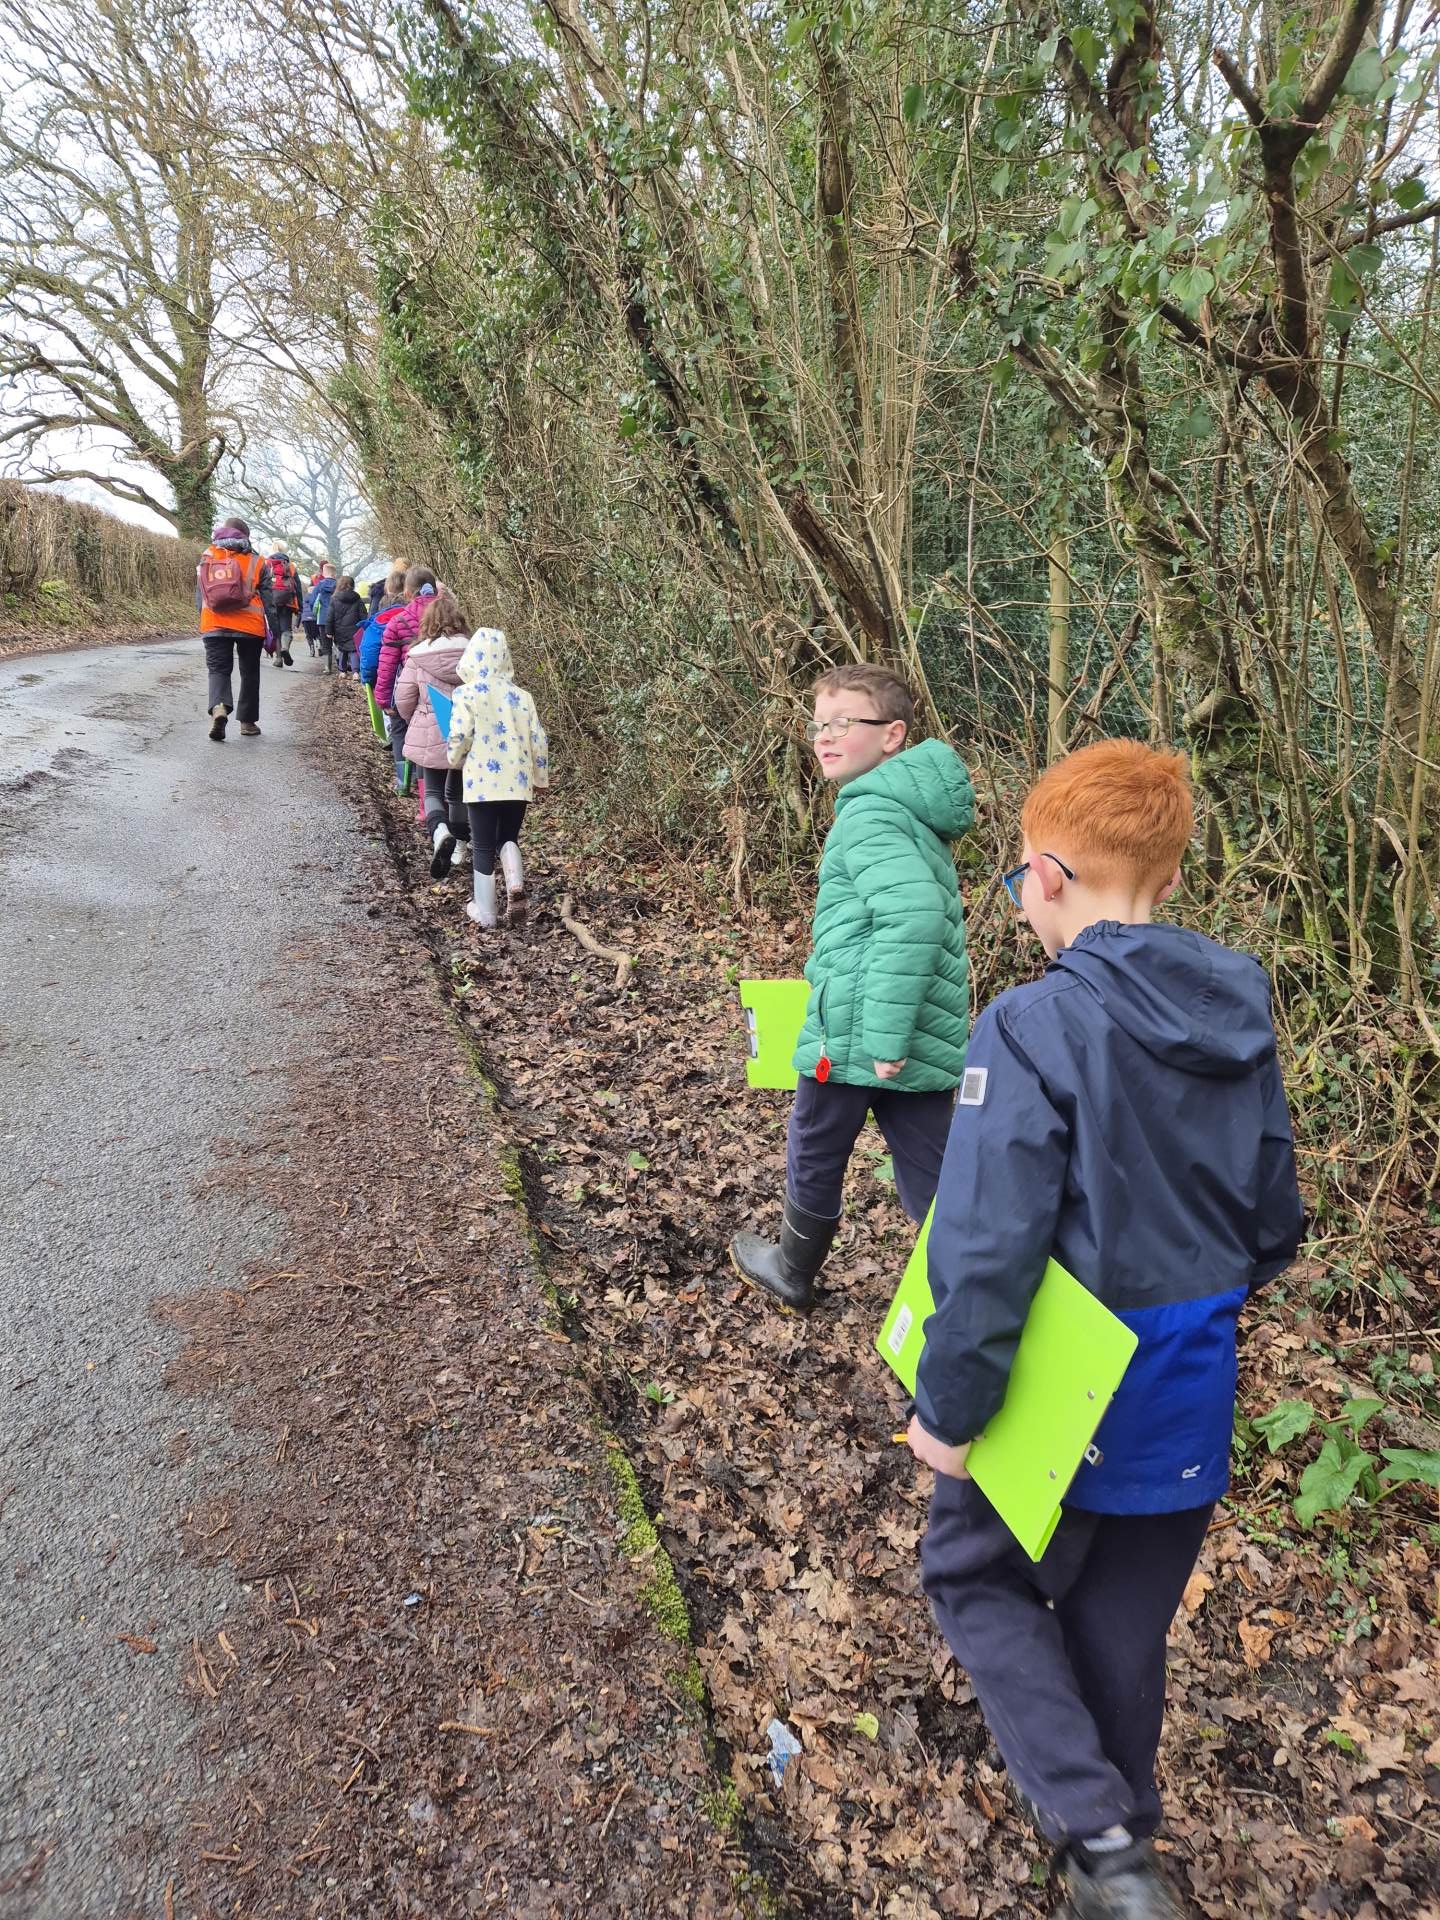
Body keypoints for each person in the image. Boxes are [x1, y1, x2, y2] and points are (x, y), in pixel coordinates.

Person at [908, 741, 1304, 1920]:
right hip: (1192, 1370)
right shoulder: (1240, 1011)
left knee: (970, 1570)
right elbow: (1273, 1220)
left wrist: (949, 1412)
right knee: (1123, 1616)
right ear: (1168, 881)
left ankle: (1102, 1834)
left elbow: (987, 1249)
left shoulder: (1028, 1026)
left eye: (1020, 881)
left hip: (1062, 1375)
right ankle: (1118, 1855)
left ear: (1043, 875)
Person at [729, 664, 974, 1315]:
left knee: (815, 1144)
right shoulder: (910, 811)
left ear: (892, 734)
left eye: (843, 723)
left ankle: (791, 1269)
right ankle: (970, 1298)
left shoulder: (868, 813)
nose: (824, 736)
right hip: (914, 1027)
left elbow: (914, 915)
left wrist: (883, 1037)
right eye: (819, 724)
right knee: (934, 1173)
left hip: (859, 1030)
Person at [446, 625, 549, 929]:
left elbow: (460, 734)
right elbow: (539, 739)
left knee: (481, 844)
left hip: (480, 782)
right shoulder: (523, 697)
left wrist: (454, 758)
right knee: (508, 837)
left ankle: (486, 912)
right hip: (517, 781)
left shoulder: (466, 693)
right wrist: (540, 778)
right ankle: (515, 883)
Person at [394, 587, 473, 877]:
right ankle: (461, 846)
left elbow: (404, 699)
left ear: (427, 624)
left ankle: (440, 832)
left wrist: (418, 719)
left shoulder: (417, 656)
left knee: (433, 790)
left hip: (430, 729)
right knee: (459, 792)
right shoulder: (474, 654)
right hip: (467, 733)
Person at [197, 518, 273, 741]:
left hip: (214, 623)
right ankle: (247, 723)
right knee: (249, 672)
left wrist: (203, 619)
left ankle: (219, 708)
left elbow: (200, 592)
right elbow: (269, 601)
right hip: (250, 626)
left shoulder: (208, 555)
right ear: (245, 537)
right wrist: (275, 632)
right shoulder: (257, 561)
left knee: (218, 670)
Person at [376, 566, 438, 787]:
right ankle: (430, 788)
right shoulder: (451, 617)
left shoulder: (399, 621)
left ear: (407, 593)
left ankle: (404, 783)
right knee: (435, 735)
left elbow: (387, 665)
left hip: (408, 688)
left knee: (399, 730)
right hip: (441, 689)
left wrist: (384, 700)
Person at [264, 551, 302, 666]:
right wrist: (300, 607)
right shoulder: (291, 567)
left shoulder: (267, 564)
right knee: (286, 629)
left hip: (272, 602)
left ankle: (279, 659)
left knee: (276, 630)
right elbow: (298, 588)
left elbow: (262, 584)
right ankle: (285, 648)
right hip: (287, 602)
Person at [329, 576, 367, 681]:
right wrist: (364, 628)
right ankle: (356, 673)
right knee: (354, 651)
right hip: (355, 630)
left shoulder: (334, 599)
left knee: (342, 650)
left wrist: (329, 631)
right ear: (352, 585)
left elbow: (330, 617)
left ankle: (342, 672)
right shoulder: (357, 599)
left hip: (339, 630)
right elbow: (363, 615)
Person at [304, 562, 338, 670]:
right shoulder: (339, 585)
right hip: (337, 617)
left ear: (324, 573)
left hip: (323, 617)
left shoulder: (320, 585)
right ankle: (341, 664)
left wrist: (314, 611)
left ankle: (327, 667)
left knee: (325, 642)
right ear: (334, 574)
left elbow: (312, 601)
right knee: (338, 641)